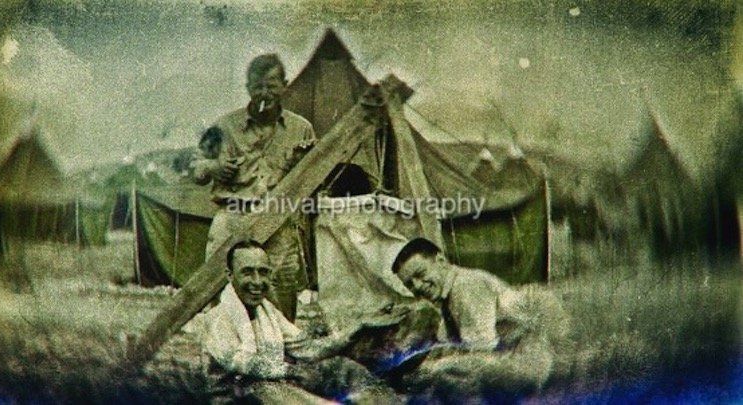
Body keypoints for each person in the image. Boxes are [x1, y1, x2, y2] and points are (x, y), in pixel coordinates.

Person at [190, 54, 316, 321]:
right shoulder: (223, 127)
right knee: (217, 288)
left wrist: (301, 165)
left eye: (271, 85)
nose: (264, 93)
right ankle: (222, 354)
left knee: (280, 289)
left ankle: (277, 355)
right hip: (233, 217)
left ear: (285, 85)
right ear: (247, 87)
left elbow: (316, 180)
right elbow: (195, 170)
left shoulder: (301, 128)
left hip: (279, 222)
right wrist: (214, 168)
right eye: (257, 86)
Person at [201, 240, 404, 403]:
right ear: (230, 276)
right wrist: (293, 371)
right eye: (247, 272)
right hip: (237, 396)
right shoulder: (217, 318)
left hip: (272, 385)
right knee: (278, 392)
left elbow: (308, 349)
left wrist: (358, 326)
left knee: (342, 367)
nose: (257, 281)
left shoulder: (267, 311)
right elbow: (245, 364)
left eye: (263, 272)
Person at [389, 238, 570, 397]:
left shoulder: (466, 286)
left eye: (420, 274)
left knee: (439, 377)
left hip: (525, 364)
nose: (418, 287)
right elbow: (448, 344)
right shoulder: (448, 297)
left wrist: (431, 368)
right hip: (509, 360)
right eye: (410, 284)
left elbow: (480, 350)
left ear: (441, 261)